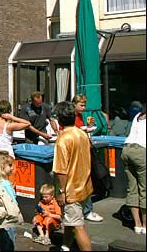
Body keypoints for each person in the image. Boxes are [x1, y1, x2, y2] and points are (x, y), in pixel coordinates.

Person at [53, 101, 93, 252]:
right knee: (71, 221)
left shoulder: (63, 139)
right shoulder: (82, 134)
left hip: (72, 190)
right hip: (85, 185)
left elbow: (60, 170)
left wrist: (61, 191)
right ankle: (65, 246)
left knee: (77, 226)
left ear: (59, 119)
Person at [71, 94, 104, 222]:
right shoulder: (72, 116)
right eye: (82, 105)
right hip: (78, 151)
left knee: (85, 178)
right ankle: (87, 210)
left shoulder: (79, 116)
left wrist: (88, 126)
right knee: (85, 179)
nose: (84, 107)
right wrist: (85, 129)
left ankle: (85, 209)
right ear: (74, 104)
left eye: (84, 105)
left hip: (82, 149)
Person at [120, 104, 146, 234]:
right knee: (144, 188)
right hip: (141, 150)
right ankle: (145, 226)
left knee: (133, 188)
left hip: (127, 149)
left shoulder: (138, 116)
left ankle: (137, 224)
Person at [0, 150, 21, 249]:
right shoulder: (6, 184)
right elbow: (13, 202)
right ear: (2, 167)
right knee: (8, 245)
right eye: (10, 165)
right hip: (8, 220)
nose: (12, 168)